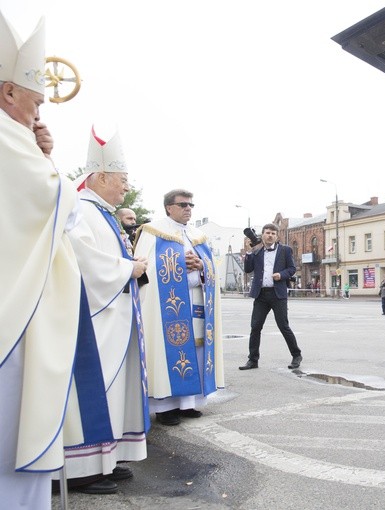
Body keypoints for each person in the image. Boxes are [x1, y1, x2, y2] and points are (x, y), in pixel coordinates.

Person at [0, 12, 84, 509]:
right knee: (14, 427)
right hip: (16, 313)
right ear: (9, 92)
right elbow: (58, 208)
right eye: (35, 100)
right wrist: (47, 159)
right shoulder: (9, 139)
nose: (40, 112)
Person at [60, 128, 151, 494]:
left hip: (112, 321)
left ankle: (105, 459)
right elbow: (82, 260)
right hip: (90, 323)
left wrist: (129, 265)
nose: (126, 188)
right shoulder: (81, 210)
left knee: (111, 393)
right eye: (122, 180)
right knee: (90, 393)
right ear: (100, 177)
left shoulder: (102, 212)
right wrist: (128, 268)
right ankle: (80, 469)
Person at [133, 189, 225, 426]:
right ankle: (165, 406)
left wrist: (202, 265)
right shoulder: (153, 232)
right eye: (183, 204)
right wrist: (177, 262)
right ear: (168, 208)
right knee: (167, 354)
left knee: (196, 349)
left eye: (191, 205)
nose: (188, 209)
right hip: (166, 306)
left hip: (196, 299)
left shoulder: (198, 235)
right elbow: (143, 268)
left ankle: (188, 402)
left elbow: (212, 268)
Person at [239, 223, 302, 370]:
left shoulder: (285, 250)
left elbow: (292, 269)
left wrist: (281, 275)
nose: (270, 235)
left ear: (277, 236)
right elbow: (248, 269)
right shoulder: (257, 251)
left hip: (277, 294)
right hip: (261, 295)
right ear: (262, 235)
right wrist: (249, 252)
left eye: (273, 233)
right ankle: (253, 360)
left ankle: (296, 355)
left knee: (283, 326)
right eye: (267, 233)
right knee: (255, 327)